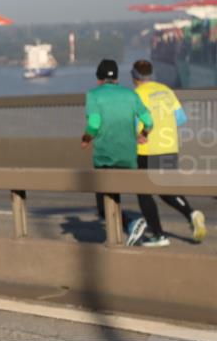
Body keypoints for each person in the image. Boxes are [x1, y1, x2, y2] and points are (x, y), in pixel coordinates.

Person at [130, 59, 206, 245]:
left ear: (135, 77)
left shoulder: (136, 95)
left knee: (144, 193)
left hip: (147, 149)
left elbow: (131, 126)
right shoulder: (165, 90)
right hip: (170, 147)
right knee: (166, 190)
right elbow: (180, 119)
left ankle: (158, 235)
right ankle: (191, 213)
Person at [81, 59, 154, 246]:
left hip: (105, 158)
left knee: (104, 205)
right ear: (117, 78)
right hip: (129, 158)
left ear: (98, 78)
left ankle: (130, 224)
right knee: (114, 196)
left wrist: (86, 138)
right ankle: (119, 237)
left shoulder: (93, 95)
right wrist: (142, 134)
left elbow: (94, 125)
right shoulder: (130, 94)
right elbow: (149, 120)